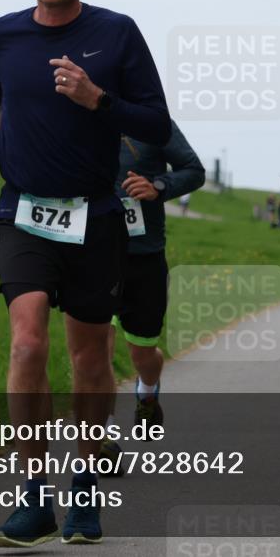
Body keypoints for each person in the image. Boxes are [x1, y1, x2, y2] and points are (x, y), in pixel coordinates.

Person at [0, 0, 171, 548]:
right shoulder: (3, 34)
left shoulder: (117, 33)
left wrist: (98, 100)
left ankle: (83, 495)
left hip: (95, 217)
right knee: (26, 346)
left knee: (88, 360)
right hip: (22, 210)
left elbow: (156, 124)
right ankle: (32, 500)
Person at [99, 121, 204, 469]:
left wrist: (158, 185)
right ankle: (104, 439)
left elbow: (194, 170)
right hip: (94, 253)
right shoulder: (77, 117)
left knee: (142, 351)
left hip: (143, 255)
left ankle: (147, 389)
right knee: (96, 345)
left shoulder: (152, 120)